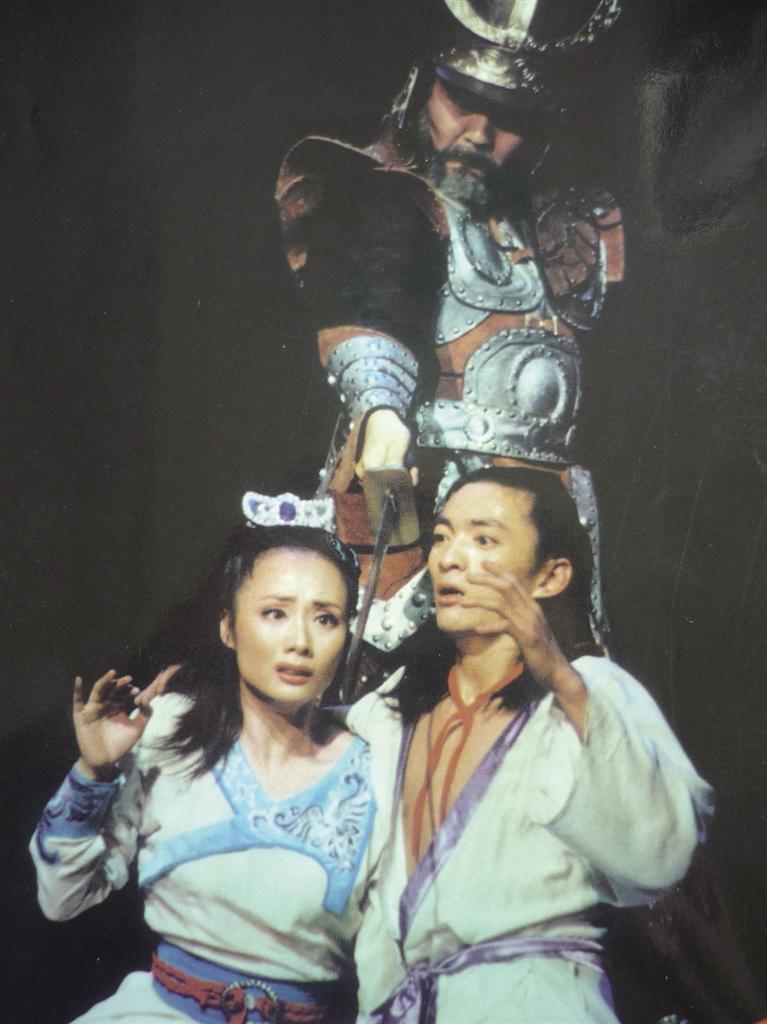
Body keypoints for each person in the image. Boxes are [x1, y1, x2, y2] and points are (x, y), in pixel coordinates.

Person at [275, 0, 625, 659]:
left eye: (509, 116)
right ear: (419, 86)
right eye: (461, 100)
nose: (478, 133)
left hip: (541, 534)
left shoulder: (560, 231)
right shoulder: (392, 202)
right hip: (428, 505)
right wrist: (380, 412)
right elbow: (369, 300)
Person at [346, 466, 713, 1023]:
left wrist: (561, 678)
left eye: (484, 540)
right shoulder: (393, 707)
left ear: (551, 575)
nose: (450, 558)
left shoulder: (590, 693)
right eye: (442, 537)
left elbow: (659, 855)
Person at [29, 493, 376, 1024]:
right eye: (275, 613)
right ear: (228, 628)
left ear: (346, 636)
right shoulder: (168, 730)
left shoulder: (375, 763)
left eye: (325, 618)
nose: (300, 641)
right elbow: (63, 898)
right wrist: (94, 772)